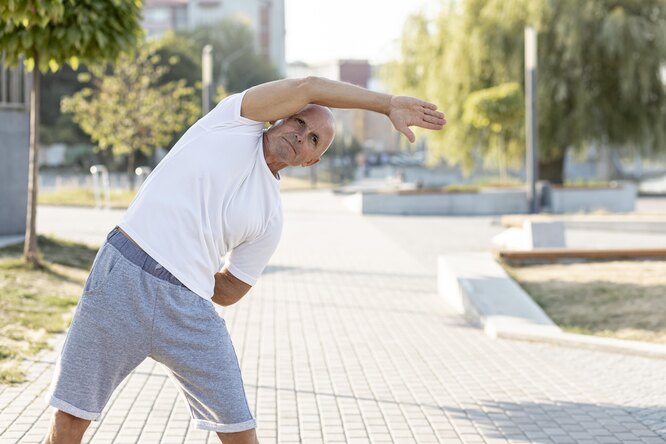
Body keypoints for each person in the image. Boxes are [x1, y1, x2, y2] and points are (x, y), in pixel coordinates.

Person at [42, 76, 446, 444]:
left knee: (238, 430)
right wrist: (387, 103)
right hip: (122, 278)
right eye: (299, 123)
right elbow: (307, 86)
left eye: (313, 140)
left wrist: (191, 275)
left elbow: (233, 287)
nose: (300, 136)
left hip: (189, 309)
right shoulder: (232, 121)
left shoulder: (271, 216)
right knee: (70, 424)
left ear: (311, 161)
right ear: (279, 118)